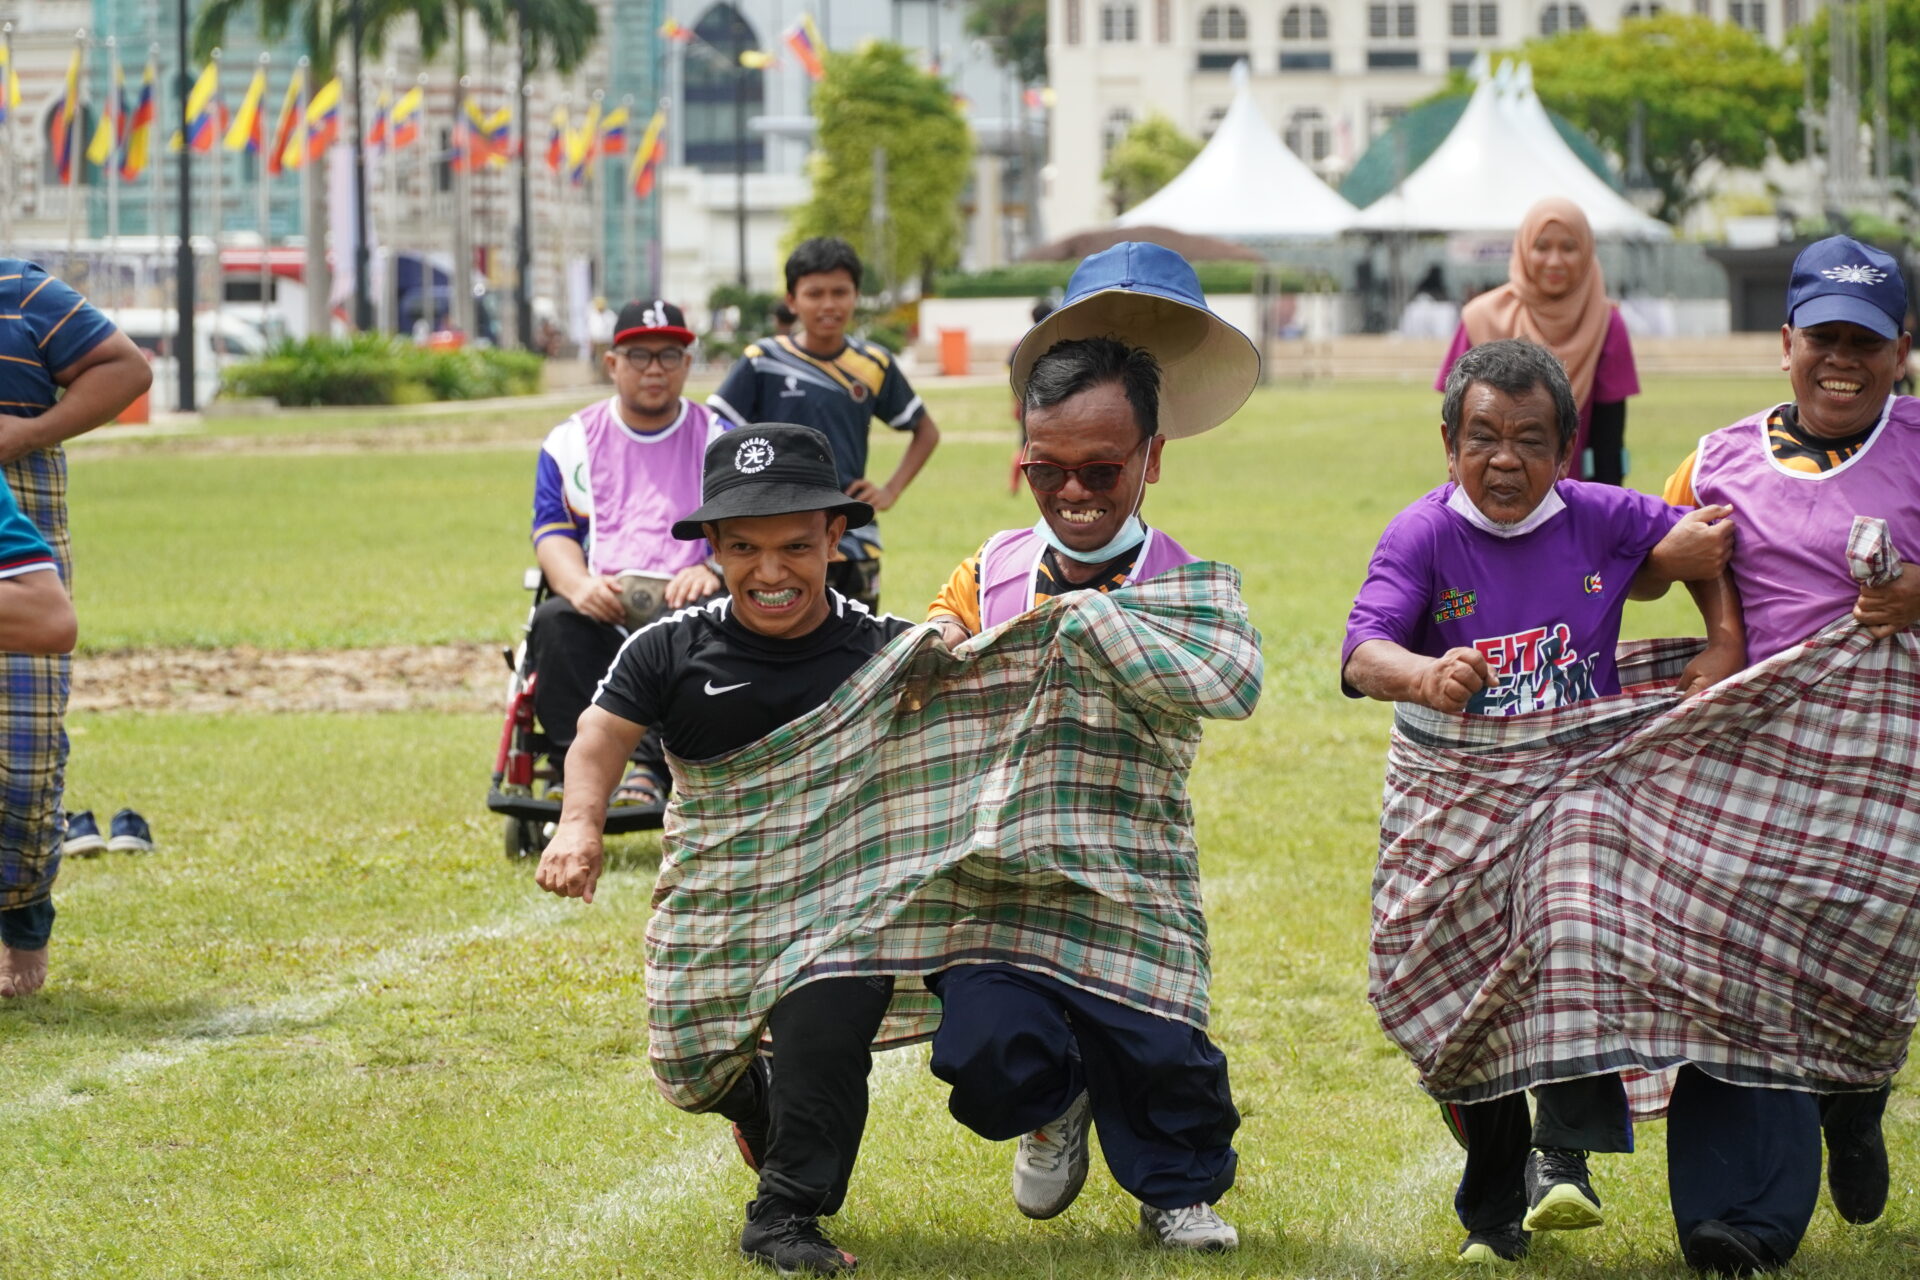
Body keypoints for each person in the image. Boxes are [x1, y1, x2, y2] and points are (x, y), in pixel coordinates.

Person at [1341, 338, 1742, 1264]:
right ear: (1449, 445)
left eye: (1530, 440)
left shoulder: (1601, 517)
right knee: (1461, 997)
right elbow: (1364, 651)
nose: (1505, 461)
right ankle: (1493, 1205)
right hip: (1454, 799)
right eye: (1482, 438)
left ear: (1566, 450)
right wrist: (1426, 673)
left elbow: (1706, 539)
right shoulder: (1422, 534)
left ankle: (1565, 1159)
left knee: (1572, 913)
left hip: (1574, 797)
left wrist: (1721, 644)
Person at [925, 242, 1262, 1253]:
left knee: (1166, 1056)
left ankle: (1177, 1190)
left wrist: (1096, 625)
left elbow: (1232, 678)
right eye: (1048, 469)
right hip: (1000, 878)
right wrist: (942, 646)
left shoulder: (1182, 582)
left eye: (1102, 469)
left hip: (1129, 877)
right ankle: (1051, 1099)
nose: (1073, 491)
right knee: (983, 1053)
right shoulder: (991, 564)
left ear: (1151, 459)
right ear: (1022, 456)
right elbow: (933, 650)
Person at [537, 423, 913, 1275]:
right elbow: (598, 738)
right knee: (687, 1064)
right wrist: (578, 824)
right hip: (717, 896)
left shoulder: (885, 652)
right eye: (744, 547)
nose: (770, 571)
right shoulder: (668, 646)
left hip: (842, 904)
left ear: (834, 537)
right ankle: (756, 1105)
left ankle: (785, 1216)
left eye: (794, 546)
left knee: (826, 1029)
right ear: (712, 545)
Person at [1642, 234, 1920, 1274]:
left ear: (1902, 348)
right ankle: (1739, 1218)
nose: (1840, 359)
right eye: (1822, 338)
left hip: (1884, 773)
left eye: (1866, 340)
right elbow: (1638, 557)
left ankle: (1853, 1099)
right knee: (1741, 966)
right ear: (1786, 341)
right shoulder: (1716, 456)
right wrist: (1686, 582)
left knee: (1851, 972)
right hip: (1751, 767)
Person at [0, 256, 149, 999]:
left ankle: (25, 912)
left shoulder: (22, 294)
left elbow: (126, 370)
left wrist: (27, 433)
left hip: (21, 553)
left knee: (23, 766)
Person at [528, 299, 726, 807]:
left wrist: (710, 567)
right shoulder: (569, 442)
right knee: (554, 620)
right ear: (612, 363)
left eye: (669, 355)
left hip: (685, 602)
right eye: (639, 355)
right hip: (603, 600)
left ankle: (648, 769)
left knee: (703, 624)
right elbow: (552, 532)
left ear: (687, 364)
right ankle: (577, 768)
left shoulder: (720, 438)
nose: (654, 369)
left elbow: (746, 529)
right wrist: (578, 586)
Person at [707, 237, 939, 610]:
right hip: (779, 539)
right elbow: (713, 433)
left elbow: (926, 431)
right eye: (815, 293)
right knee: (779, 645)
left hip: (853, 541)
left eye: (840, 292)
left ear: (856, 295)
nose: (828, 304)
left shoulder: (873, 363)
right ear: (792, 300)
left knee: (856, 656)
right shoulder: (763, 361)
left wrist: (890, 490)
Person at [1436, 197, 1640, 486]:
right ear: (1523, 249)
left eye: (1568, 247)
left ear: (1586, 252)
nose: (1554, 261)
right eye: (1542, 247)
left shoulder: (1606, 323)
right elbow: (1457, 428)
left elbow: (1608, 443)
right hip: (1482, 498)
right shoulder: (1481, 318)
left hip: (1567, 503)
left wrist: (1604, 517)